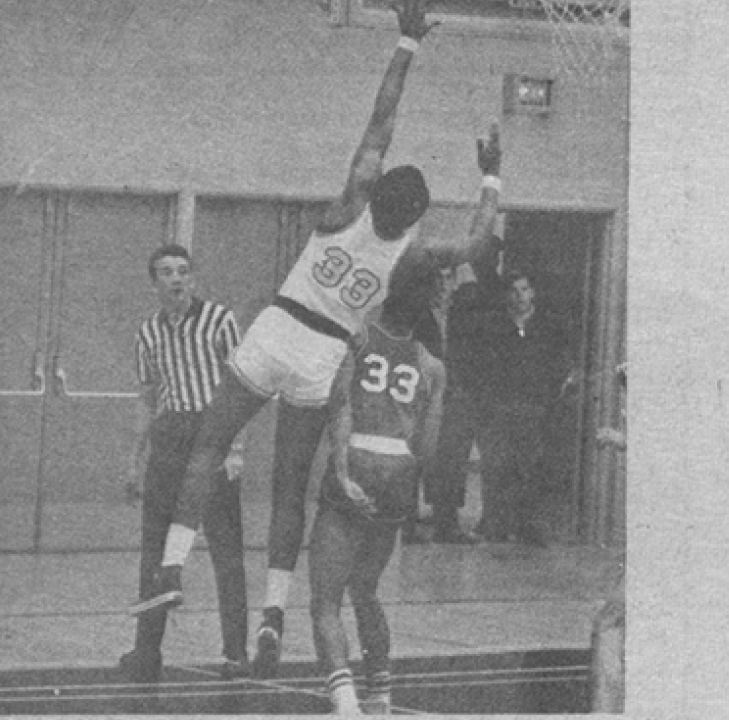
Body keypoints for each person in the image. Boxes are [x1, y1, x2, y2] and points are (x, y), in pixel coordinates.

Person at [128, 0, 507, 681]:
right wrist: (490, 173)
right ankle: (274, 613)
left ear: (378, 190)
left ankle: (173, 564)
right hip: (326, 352)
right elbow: (480, 241)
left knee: (209, 446)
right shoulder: (412, 258)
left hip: (279, 328)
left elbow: (380, 124)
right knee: (290, 490)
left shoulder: (347, 206)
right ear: (416, 214)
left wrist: (406, 44)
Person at [306, 258, 446, 715]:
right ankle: (381, 697)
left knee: (325, 601)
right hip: (399, 473)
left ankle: (346, 705)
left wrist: (344, 473)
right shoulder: (431, 364)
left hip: (360, 459)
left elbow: (340, 406)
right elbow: (428, 447)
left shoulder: (359, 337)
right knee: (366, 590)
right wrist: (406, 491)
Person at [117, 245, 252, 683]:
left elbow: (242, 390)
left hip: (212, 436)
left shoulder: (220, 320)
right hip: (170, 438)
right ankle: (146, 651)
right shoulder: (148, 332)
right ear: (154, 282)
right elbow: (146, 397)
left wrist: (236, 449)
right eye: (166, 272)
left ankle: (235, 653)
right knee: (154, 551)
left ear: (192, 278)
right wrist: (134, 460)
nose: (175, 279)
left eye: (182, 271)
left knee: (226, 551)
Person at [471, 269, 579, 547]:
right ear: (507, 295)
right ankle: (496, 524)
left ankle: (528, 525)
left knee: (530, 467)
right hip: (501, 407)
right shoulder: (495, 326)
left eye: (524, 290)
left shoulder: (547, 327)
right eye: (514, 291)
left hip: (535, 407)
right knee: (497, 466)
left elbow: (562, 362)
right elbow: (483, 366)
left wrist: (551, 392)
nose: (520, 297)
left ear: (533, 293)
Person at [408, 253, 490, 544]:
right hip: (422, 395)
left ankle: (447, 524)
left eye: (448, 278)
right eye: (438, 278)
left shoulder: (466, 313)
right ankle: (406, 525)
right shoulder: (416, 313)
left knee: (453, 457)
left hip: (456, 394)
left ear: (455, 281)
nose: (443, 285)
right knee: (416, 454)